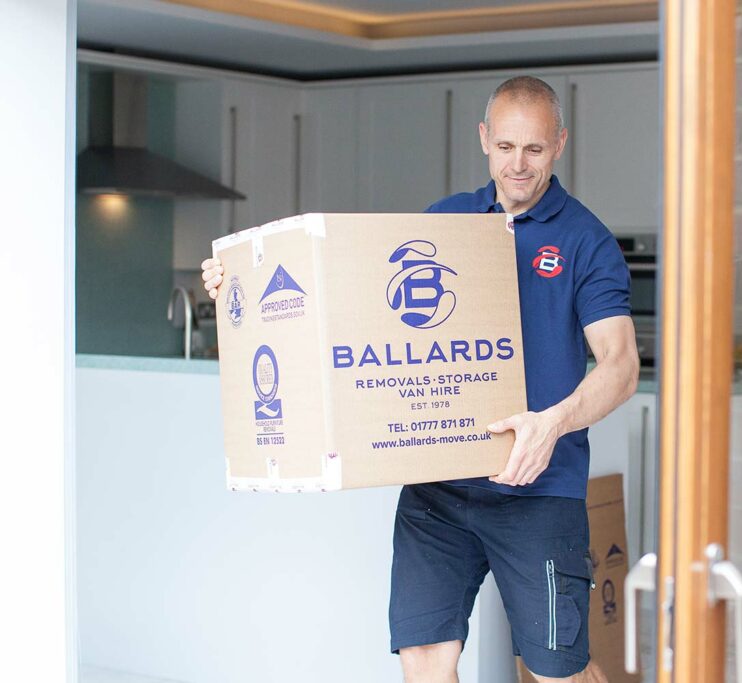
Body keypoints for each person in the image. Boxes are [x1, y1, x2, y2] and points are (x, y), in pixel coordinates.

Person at [201, 75, 639, 683]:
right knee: (424, 664)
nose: (518, 164)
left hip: (537, 490)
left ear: (559, 143)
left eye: (534, 149)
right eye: (506, 146)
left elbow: (620, 367)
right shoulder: (444, 222)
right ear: (484, 139)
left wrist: (551, 425)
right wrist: (239, 295)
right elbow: (342, 310)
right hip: (438, 492)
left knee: (553, 671)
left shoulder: (585, 241)